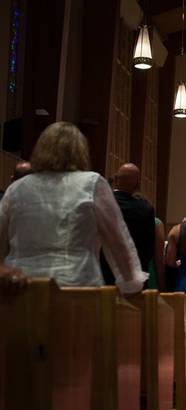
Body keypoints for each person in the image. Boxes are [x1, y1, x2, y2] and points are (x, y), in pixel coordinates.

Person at [0, 122, 145, 294]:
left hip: (22, 289)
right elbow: (118, 242)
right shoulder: (92, 184)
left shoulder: (16, 189)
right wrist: (131, 284)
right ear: (81, 152)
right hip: (77, 285)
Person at [101, 163, 156, 287]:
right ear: (137, 184)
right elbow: (148, 249)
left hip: (106, 273)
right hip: (135, 273)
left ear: (115, 180)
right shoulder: (145, 209)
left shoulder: (103, 204)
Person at [147, 216, 166, 290]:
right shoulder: (155, 223)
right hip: (148, 272)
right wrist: (162, 286)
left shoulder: (118, 219)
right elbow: (159, 260)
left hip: (120, 273)